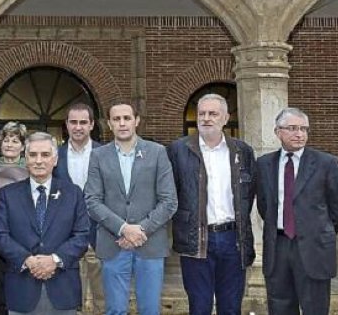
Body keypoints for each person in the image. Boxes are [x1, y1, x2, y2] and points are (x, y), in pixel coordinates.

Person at [83, 102, 177, 315]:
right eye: (116, 119)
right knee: (115, 309)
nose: (122, 123)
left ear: (137, 121)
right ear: (109, 124)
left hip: (150, 243)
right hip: (113, 242)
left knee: (150, 310)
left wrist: (141, 230)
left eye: (127, 118)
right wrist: (124, 229)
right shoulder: (98, 156)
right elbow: (92, 200)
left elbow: (169, 201)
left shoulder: (157, 152)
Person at [166, 94, 256, 315]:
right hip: (196, 238)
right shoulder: (178, 150)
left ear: (225, 118)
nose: (206, 118)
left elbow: (249, 193)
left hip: (233, 239)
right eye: (202, 114)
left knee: (231, 306)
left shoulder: (242, 151)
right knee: (199, 306)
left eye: (213, 114)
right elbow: (171, 193)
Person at [255, 108, 338, 315]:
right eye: (292, 128)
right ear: (278, 132)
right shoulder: (263, 165)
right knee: (279, 306)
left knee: (315, 308)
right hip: (278, 247)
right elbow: (265, 206)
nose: (299, 134)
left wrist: (319, 230)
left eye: (304, 129)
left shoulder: (327, 163)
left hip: (314, 248)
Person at [0, 133, 90, 315]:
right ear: (25, 158)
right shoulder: (8, 194)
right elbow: (0, 236)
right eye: (33, 155)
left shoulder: (73, 193)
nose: (39, 161)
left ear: (55, 160)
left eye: (45, 155)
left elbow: (82, 236)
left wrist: (54, 260)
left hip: (63, 289)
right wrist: (28, 260)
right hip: (21, 290)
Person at [53, 104, 101, 313]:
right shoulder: (55, 156)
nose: (78, 127)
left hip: (100, 232)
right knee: (71, 293)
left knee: (103, 295)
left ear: (91, 125)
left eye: (83, 122)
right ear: (66, 125)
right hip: (67, 234)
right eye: (73, 122)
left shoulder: (106, 153)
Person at [0, 122, 30, 315]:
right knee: (2, 291)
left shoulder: (33, 172)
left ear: (23, 146)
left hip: (26, 238)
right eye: (6, 140)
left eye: (15, 141)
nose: (9, 144)